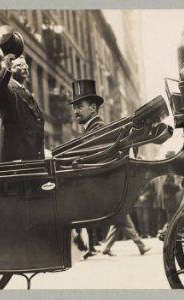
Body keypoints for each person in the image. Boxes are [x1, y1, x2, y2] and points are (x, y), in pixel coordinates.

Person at [68, 79, 106, 258]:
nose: (76, 111)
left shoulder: (97, 129)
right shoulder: (92, 128)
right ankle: (86, 243)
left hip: (95, 184)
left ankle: (82, 242)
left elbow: (92, 157)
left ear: (92, 108)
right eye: (74, 107)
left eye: (80, 106)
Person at [0, 54, 44, 163]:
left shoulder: (25, 91)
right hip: (15, 160)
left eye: (26, 65)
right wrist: (6, 68)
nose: (25, 67)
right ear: (10, 68)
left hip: (30, 158)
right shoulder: (8, 89)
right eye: (19, 65)